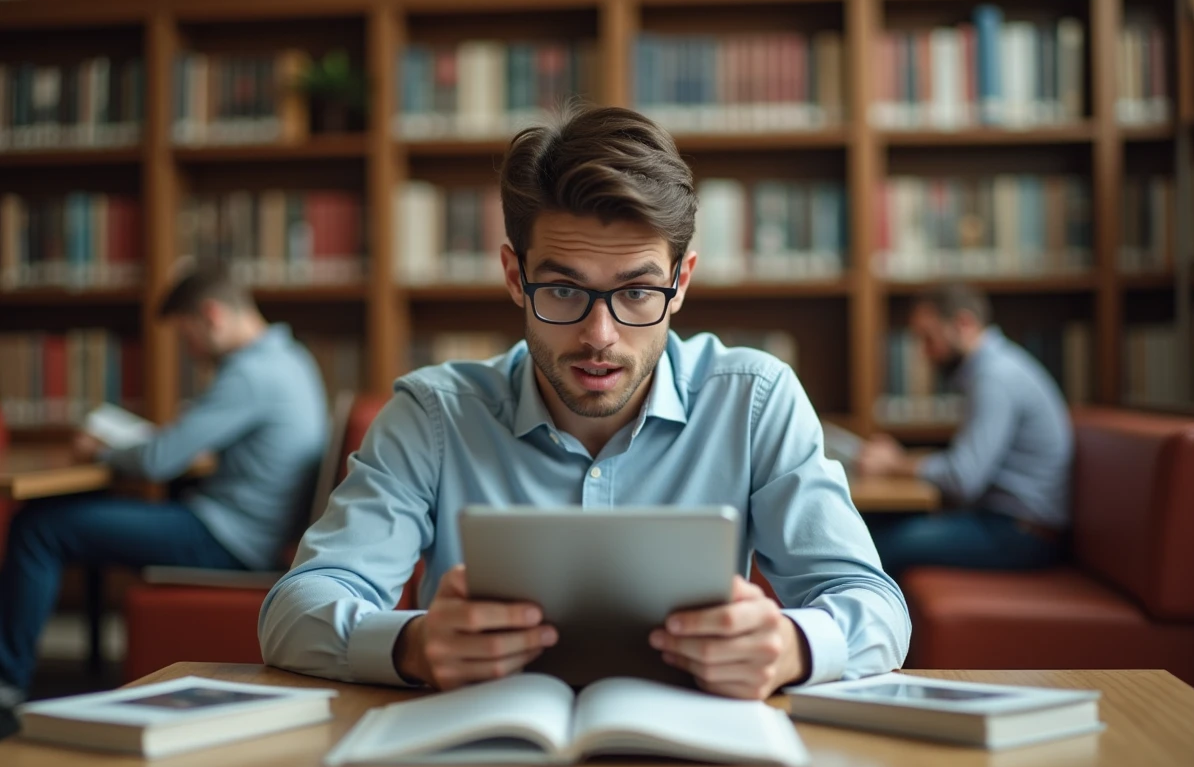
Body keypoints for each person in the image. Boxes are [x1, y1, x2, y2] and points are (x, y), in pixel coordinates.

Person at [259, 105, 909, 701]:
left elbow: (873, 606)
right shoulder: (432, 415)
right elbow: (293, 611)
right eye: (564, 292)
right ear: (516, 277)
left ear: (681, 282)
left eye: (635, 293)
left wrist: (792, 647)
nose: (600, 337)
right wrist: (412, 644)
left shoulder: (756, 402)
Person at [0, 265, 329, 734]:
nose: (189, 351)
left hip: (228, 540)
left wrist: (104, 449)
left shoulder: (251, 374)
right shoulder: (292, 359)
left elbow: (158, 461)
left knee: (39, 526)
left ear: (211, 316)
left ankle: (6, 685)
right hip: (249, 528)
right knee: (61, 521)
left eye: (186, 335)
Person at [856, 283, 1073, 577]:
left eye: (929, 338)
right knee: (869, 526)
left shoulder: (995, 378)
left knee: (875, 546)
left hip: (1021, 534)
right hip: (1007, 523)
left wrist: (895, 463)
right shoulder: (995, 369)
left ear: (964, 323)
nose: (925, 353)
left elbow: (962, 477)